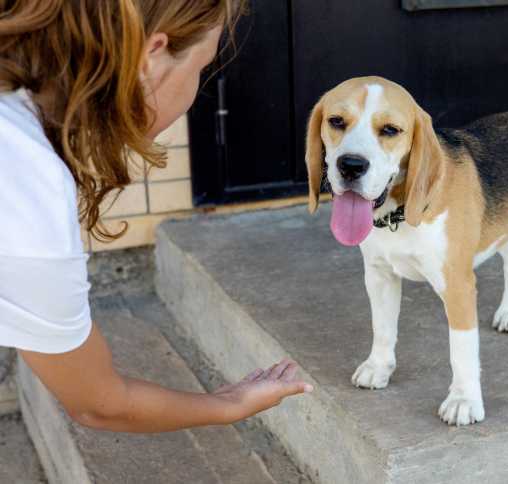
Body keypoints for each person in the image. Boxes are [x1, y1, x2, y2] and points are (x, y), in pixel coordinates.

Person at [0, 0, 312, 433]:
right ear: (151, 55)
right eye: (202, 66)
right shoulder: (26, 180)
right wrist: (229, 404)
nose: (196, 86)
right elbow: (98, 403)